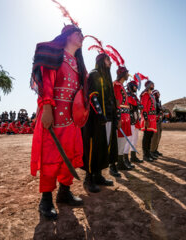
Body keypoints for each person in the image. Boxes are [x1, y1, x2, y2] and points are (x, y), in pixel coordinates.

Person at [30, 5, 88, 220]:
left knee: (69, 155)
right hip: (54, 115)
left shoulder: (79, 64)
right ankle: (46, 199)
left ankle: (64, 192)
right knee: (50, 157)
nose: (82, 37)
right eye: (78, 33)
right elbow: (46, 83)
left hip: (72, 120)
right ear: (67, 36)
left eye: (82, 34)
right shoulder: (54, 55)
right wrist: (46, 108)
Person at [82, 37, 118, 192]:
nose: (110, 63)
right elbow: (92, 95)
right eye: (108, 60)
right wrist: (100, 113)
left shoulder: (107, 77)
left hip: (108, 118)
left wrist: (113, 116)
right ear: (102, 60)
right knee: (94, 147)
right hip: (96, 119)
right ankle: (89, 178)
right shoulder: (95, 74)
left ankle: (98, 175)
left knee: (104, 147)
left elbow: (111, 99)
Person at [107, 45, 133, 170]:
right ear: (123, 74)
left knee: (123, 139)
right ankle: (114, 164)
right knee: (117, 140)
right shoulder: (116, 85)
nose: (128, 74)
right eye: (127, 72)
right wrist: (118, 118)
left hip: (126, 115)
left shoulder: (122, 86)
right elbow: (117, 102)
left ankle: (121, 162)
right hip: (120, 116)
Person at [123, 76, 144, 164]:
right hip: (129, 120)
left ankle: (133, 156)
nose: (136, 87)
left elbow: (139, 105)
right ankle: (125, 158)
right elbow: (134, 105)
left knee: (135, 139)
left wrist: (136, 105)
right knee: (129, 139)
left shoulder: (134, 96)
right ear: (131, 86)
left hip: (135, 120)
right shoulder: (127, 95)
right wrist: (136, 105)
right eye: (134, 86)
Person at [140, 80, 157, 162]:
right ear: (148, 85)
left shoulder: (151, 95)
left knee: (150, 136)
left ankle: (149, 152)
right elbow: (143, 108)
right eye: (151, 84)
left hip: (153, 118)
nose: (153, 85)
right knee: (146, 136)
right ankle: (145, 155)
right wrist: (146, 119)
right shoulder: (145, 95)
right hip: (148, 118)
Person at [150, 89, 163, 157]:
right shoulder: (153, 101)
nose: (159, 94)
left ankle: (155, 150)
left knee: (158, 136)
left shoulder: (158, 102)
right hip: (155, 121)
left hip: (159, 121)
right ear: (155, 94)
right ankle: (152, 151)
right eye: (158, 93)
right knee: (155, 137)